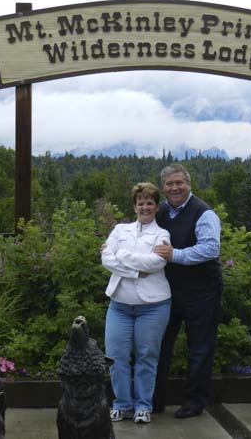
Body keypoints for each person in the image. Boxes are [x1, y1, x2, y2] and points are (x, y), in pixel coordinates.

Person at [152, 163, 223, 419]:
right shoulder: (159, 211)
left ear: (188, 184)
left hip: (202, 290)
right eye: (169, 184)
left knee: (200, 347)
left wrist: (175, 255)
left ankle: (194, 403)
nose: (175, 188)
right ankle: (153, 401)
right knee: (159, 344)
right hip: (166, 290)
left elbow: (211, 248)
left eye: (179, 183)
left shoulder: (204, 213)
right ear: (163, 187)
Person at [101, 182, 172, 425]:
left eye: (149, 203)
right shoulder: (120, 230)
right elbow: (106, 259)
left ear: (157, 207)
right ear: (134, 206)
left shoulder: (162, 235)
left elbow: (156, 263)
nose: (145, 207)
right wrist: (134, 271)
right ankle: (121, 404)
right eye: (140, 203)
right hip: (119, 306)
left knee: (146, 356)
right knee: (115, 356)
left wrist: (121, 255)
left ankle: (143, 405)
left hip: (153, 307)